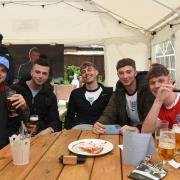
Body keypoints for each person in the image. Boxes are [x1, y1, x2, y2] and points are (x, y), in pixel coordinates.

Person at [93, 58, 154, 134]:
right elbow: (109, 113)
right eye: (121, 73)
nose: (125, 76)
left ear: (135, 73)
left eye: (129, 72)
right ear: (117, 75)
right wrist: (100, 123)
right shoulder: (119, 91)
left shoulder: (148, 89)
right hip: (127, 133)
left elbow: (152, 119)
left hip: (147, 133)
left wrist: (138, 129)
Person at [11, 58, 62, 136]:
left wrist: (47, 130)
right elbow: (7, 118)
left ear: (48, 76)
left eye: (44, 73)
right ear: (31, 72)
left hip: (41, 138)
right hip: (17, 137)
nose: (40, 76)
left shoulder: (50, 95)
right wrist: (22, 126)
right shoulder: (15, 89)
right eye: (37, 72)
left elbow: (56, 122)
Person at [64, 61, 113, 129]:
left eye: (89, 70)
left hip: (101, 130)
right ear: (82, 75)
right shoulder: (75, 93)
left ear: (96, 72)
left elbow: (112, 115)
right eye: (83, 71)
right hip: (80, 130)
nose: (86, 73)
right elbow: (69, 116)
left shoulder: (108, 93)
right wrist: (67, 130)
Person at [0, 56, 29, 149]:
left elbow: (20, 123)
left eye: (3, 70)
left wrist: (24, 108)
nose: (0, 73)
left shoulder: (9, 93)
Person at [141, 65, 179, 133]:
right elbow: (145, 134)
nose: (156, 85)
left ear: (170, 81)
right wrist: (158, 101)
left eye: (161, 81)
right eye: (152, 83)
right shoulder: (156, 105)